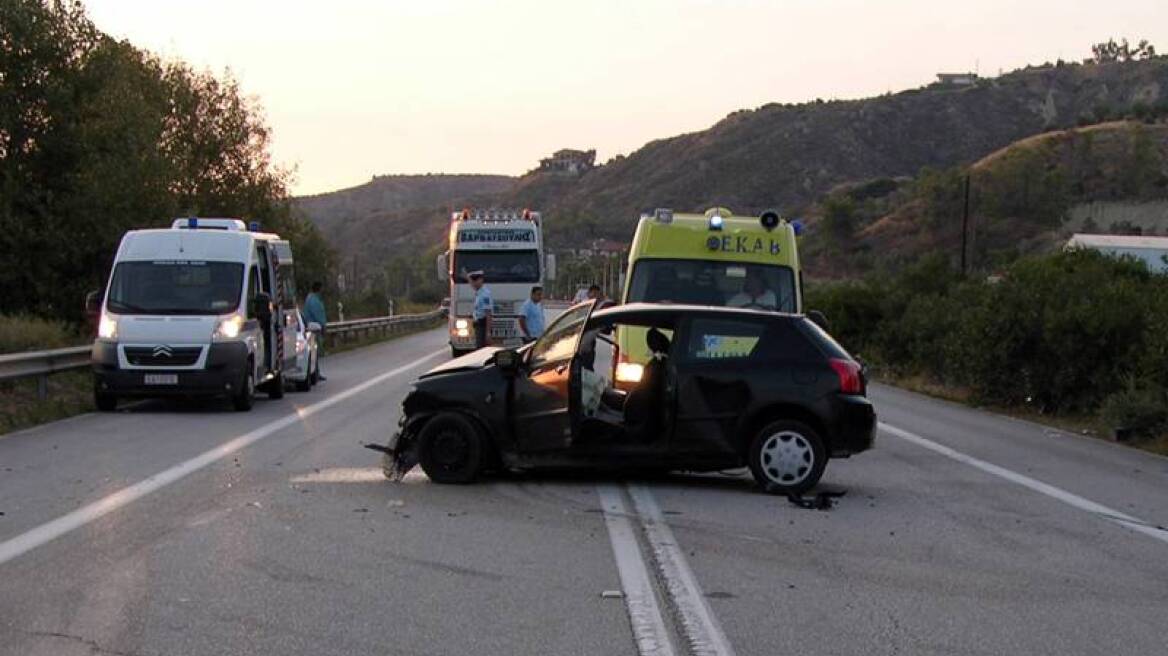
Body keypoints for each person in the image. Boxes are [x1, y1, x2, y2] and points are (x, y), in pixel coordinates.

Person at [303, 281, 328, 381]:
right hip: (314, 328)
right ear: (319, 289)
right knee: (314, 351)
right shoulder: (313, 300)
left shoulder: (313, 299)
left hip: (314, 328)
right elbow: (318, 315)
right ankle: (314, 372)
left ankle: (316, 371)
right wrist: (323, 326)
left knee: (315, 351)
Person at [468, 270, 493, 349]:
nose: (474, 283)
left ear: (481, 280)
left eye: (476, 280)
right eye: (473, 281)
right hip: (478, 325)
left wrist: (488, 333)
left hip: (483, 325)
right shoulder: (479, 292)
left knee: (481, 350)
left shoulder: (485, 294)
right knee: (479, 348)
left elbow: (488, 314)